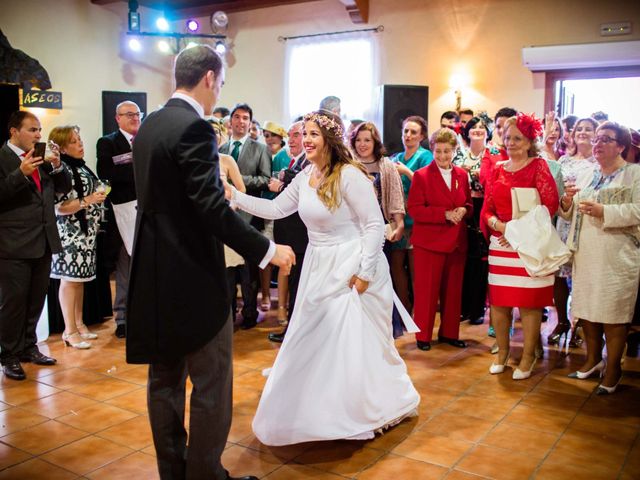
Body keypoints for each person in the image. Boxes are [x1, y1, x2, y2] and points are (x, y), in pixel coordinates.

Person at [126, 45, 295, 480]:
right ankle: (204, 475)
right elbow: (211, 208)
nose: (218, 89)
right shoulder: (195, 129)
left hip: (154, 273)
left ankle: (173, 472)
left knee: (164, 380)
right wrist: (266, 249)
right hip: (194, 277)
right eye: (220, 82)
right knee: (212, 382)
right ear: (208, 78)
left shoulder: (148, 128)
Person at [228, 110, 420, 446]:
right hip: (317, 265)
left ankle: (358, 410)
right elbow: (275, 209)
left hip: (350, 265)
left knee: (344, 339)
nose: (307, 140)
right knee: (311, 337)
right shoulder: (305, 176)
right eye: (304, 134)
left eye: (314, 134)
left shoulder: (350, 175)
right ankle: (313, 410)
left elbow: (374, 225)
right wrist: (233, 196)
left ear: (329, 139)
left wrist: (363, 273)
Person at [560, 122, 640, 395]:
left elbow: (639, 211)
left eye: (606, 139)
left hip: (617, 255)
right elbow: (571, 212)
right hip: (586, 252)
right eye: (597, 139)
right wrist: (567, 203)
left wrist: (604, 210)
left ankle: (614, 368)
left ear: (621, 146)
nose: (598, 143)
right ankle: (592, 359)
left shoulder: (634, 174)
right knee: (588, 311)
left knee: (613, 314)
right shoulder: (588, 174)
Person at [482, 113, 559, 380]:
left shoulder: (538, 166)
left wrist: (515, 231)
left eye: (518, 138)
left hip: (528, 245)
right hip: (501, 244)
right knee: (500, 304)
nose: (511, 142)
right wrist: (500, 227)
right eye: (507, 138)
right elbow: (487, 208)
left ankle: (528, 356)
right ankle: (503, 354)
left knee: (529, 304)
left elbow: (548, 206)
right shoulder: (497, 167)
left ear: (529, 142)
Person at [0, 111, 71, 380]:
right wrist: (19, 174)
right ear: (13, 131)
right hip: (12, 244)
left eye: (39, 130)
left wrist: (57, 166)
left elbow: (63, 188)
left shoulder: (40, 158)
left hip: (42, 239)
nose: (38, 135)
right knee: (13, 303)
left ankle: (29, 347)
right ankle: (9, 354)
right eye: (32, 130)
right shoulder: (3, 159)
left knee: (35, 300)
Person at [409, 128, 472, 351]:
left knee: (453, 291)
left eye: (447, 151)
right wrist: (443, 214)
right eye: (439, 151)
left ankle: (449, 333)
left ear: (455, 151)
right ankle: (423, 336)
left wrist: (463, 210)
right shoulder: (422, 176)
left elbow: (468, 204)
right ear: (432, 150)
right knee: (427, 293)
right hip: (429, 243)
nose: (443, 156)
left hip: (456, 242)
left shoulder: (462, 175)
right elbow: (415, 210)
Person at [49, 126, 107, 349]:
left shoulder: (80, 167)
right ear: (62, 148)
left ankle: (80, 323)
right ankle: (69, 330)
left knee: (80, 280)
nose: (80, 144)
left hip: (86, 234)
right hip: (70, 234)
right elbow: (60, 207)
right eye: (74, 141)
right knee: (70, 281)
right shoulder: (62, 170)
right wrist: (88, 200)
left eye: (80, 139)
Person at [350, 122, 405, 338]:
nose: (363, 144)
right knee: (357, 275)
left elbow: (396, 198)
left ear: (375, 142)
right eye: (359, 140)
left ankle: (379, 327)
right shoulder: (349, 165)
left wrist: (399, 224)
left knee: (379, 278)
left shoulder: (387, 166)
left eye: (367, 140)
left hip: (381, 232)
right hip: (354, 231)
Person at [219, 103, 272, 328]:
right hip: (224, 217)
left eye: (246, 118)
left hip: (249, 215)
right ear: (230, 121)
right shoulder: (220, 150)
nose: (241, 122)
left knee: (248, 271)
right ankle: (229, 313)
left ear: (250, 123)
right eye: (237, 117)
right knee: (228, 270)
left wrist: (236, 180)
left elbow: (265, 179)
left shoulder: (259, 148)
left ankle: (250, 313)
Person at [549, 117, 598, 347]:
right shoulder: (565, 161)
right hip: (564, 220)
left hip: (587, 223)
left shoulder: (599, 164)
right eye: (580, 128)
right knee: (559, 276)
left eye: (589, 129)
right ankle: (562, 321)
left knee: (581, 275)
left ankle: (581, 323)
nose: (583, 132)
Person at [96, 100, 142, 339]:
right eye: (129, 114)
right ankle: (122, 316)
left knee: (146, 264)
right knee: (125, 266)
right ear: (118, 118)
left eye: (137, 114)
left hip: (148, 210)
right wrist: (138, 168)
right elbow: (107, 173)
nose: (135, 118)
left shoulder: (147, 139)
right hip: (122, 211)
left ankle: (144, 313)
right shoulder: (108, 142)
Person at [267, 121, 309, 340]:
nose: (290, 140)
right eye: (290, 135)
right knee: (295, 282)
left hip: (300, 235)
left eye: (296, 135)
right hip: (291, 234)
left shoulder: (308, 163)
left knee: (298, 284)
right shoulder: (295, 162)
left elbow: (304, 194)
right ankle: (293, 329)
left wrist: (281, 186)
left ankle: (294, 332)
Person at [453, 117, 498, 325]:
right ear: (467, 132)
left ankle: (478, 309)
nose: (478, 130)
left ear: (488, 133)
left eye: (482, 128)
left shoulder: (494, 154)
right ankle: (462, 307)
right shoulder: (459, 154)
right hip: (464, 207)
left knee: (481, 259)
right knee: (464, 258)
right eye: (474, 127)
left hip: (484, 207)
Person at [390, 115, 433, 313]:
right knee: (396, 266)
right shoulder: (396, 158)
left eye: (413, 132)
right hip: (398, 217)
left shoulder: (426, 157)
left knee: (416, 268)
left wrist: (406, 171)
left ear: (422, 136)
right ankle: (403, 307)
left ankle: (419, 310)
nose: (408, 135)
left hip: (417, 219)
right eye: (406, 131)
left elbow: (429, 185)